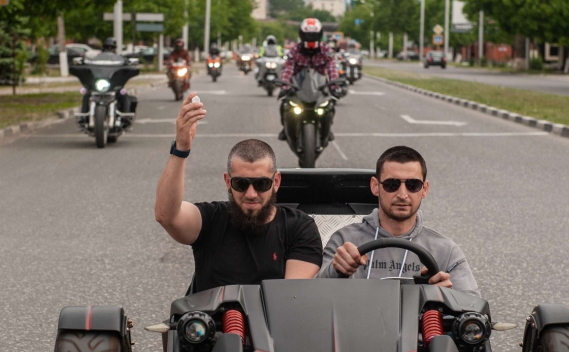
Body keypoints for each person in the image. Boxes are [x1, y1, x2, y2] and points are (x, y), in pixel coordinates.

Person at [154, 94, 323, 293]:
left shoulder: (299, 228)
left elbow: (291, 297)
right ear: (228, 182)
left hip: (272, 314)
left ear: (276, 182)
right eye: (241, 183)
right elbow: (166, 215)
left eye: (261, 183)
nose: (251, 194)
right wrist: (181, 148)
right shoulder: (211, 219)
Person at [317, 146, 480, 296]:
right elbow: (315, 296)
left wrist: (449, 298)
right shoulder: (345, 240)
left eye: (413, 185)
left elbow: (474, 308)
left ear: (425, 189)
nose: (402, 194)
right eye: (392, 184)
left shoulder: (445, 250)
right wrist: (335, 270)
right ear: (375, 186)